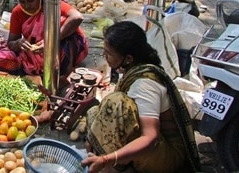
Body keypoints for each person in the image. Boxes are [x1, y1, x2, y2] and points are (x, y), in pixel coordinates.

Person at [81, 21, 201, 173]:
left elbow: (150, 138)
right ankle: (116, 161)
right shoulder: (133, 70)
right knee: (94, 112)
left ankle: (113, 167)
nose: (105, 57)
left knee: (116, 103)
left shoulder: (144, 85)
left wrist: (106, 159)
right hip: (156, 146)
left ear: (128, 59)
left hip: (166, 156)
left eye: (108, 54)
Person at [0, 0, 88, 82]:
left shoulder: (52, 5)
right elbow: (11, 43)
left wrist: (52, 41)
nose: (27, 6)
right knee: (2, 58)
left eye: (31, 0)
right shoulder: (18, 12)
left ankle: (64, 75)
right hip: (35, 49)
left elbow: (77, 17)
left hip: (58, 46)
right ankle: (39, 73)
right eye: (22, 2)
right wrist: (18, 43)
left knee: (69, 32)